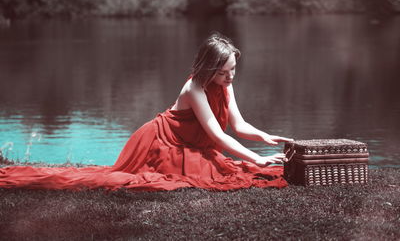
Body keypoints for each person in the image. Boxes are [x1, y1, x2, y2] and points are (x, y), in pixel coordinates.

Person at [0, 32, 292, 191]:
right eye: (226, 72)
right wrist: (256, 158)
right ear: (210, 69)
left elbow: (238, 125)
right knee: (213, 174)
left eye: (234, 70)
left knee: (234, 169)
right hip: (162, 143)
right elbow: (216, 135)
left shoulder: (224, 83)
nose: (231, 77)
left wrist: (267, 139)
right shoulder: (195, 88)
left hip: (190, 144)